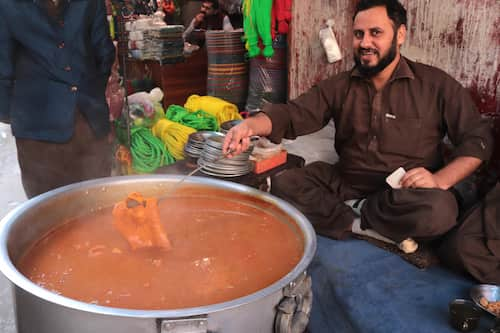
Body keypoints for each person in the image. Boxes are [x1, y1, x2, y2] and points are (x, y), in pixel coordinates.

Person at [223, 0, 493, 253]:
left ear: (400, 35)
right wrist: (251, 125)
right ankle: (362, 224)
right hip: (347, 182)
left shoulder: (435, 85)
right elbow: (295, 113)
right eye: (358, 34)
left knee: (439, 212)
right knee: (285, 184)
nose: (365, 43)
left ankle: (351, 215)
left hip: (405, 193)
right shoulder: (340, 85)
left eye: (376, 33)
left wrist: (439, 180)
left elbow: (477, 139)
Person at [0, 0, 116, 198]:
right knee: (96, 206)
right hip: (63, 125)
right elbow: (103, 54)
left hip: (44, 128)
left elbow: (3, 69)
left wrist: (15, 115)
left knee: (49, 212)